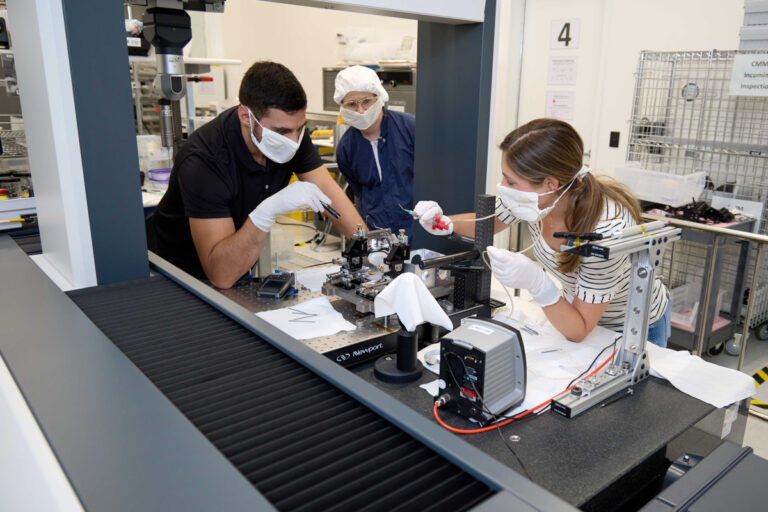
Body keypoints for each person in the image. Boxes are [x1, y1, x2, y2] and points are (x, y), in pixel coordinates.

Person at [413, 118, 671, 346]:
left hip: (630, 327)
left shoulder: (605, 231)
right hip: (575, 313)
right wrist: (445, 223)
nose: (503, 187)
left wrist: (538, 283)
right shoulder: (540, 199)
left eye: (511, 181)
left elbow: (579, 330)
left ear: (550, 183)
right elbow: (490, 222)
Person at [146, 61, 366, 288]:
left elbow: (330, 194)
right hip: (176, 274)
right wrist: (267, 212)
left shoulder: (291, 134)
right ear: (245, 116)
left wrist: (370, 249)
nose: (293, 141)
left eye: (300, 128)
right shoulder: (203, 160)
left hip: (233, 265)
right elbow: (221, 274)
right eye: (281, 131)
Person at [333, 65, 415, 237]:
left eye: (366, 102)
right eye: (352, 104)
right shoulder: (346, 148)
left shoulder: (410, 128)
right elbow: (359, 190)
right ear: (342, 107)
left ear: (379, 97)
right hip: (376, 235)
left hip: (418, 230)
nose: (361, 110)